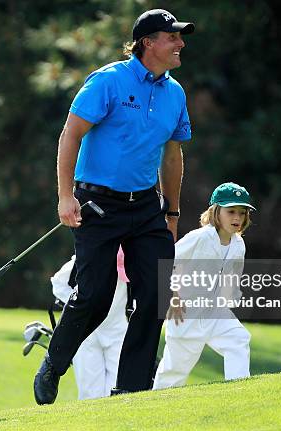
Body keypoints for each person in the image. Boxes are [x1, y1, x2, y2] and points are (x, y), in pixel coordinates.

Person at [34, 9, 194, 404]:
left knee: (155, 294)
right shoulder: (108, 81)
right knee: (96, 295)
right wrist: (65, 195)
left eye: (179, 37)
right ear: (147, 43)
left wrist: (171, 212)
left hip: (145, 206)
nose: (180, 44)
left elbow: (172, 155)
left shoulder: (175, 93)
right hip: (97, 203)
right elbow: (70, 134)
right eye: (171, 37)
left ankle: (131, 390)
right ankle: (55, 362)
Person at [153, 182, 255, 389]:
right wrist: (172, 296)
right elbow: (168, 262)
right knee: (174, 372)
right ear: (216, 212)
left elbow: (232, 278)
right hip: (185, 314)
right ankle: (156, 408)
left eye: (242, 213)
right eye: (231, 211)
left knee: (238, 339)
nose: (237, 218)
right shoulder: (199, 238)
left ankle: (239, 392)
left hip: (215, 312)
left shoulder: (238, 245)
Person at [50, 249, 129, 400]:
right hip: (85, 334)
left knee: (118, 389)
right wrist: (80, 308)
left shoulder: (130, 263)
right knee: (89, 393)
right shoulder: (84, 259)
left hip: (117, 332)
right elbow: (58, 284)